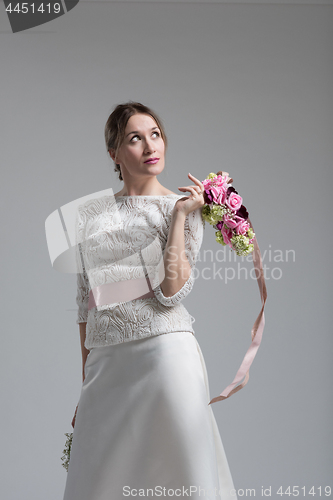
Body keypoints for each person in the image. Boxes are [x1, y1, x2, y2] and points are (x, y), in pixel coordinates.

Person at [62, 101, 238, 500]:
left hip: (165, 358)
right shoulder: (91, 215)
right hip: (106, 365)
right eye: (135, 138)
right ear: (114, 154)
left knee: (179, 477)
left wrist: (178, 217)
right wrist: (84, 383)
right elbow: (85, 304)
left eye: (155, 134)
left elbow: (171, 292)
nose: (149, 146)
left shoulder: (184, 209)